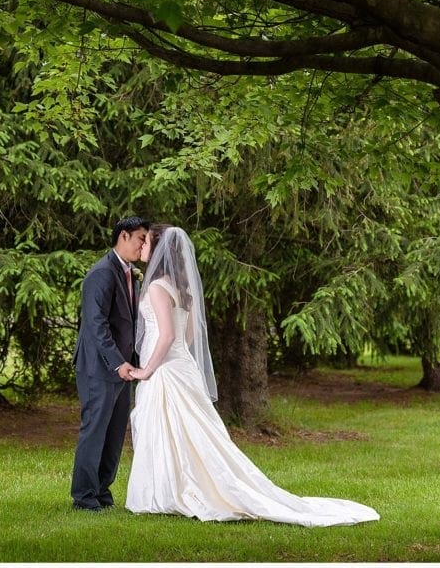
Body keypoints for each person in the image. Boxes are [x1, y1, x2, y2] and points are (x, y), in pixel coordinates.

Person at [125, 224, 380, 526]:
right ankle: (184, 488)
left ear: (159, 251)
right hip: (182, 366)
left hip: (166, 369)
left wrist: (147, 369)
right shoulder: (182, 288)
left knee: (173, 430)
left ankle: (168, 492)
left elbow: (165, 335)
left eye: (146, 243)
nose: (141, 248)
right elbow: (189, 334)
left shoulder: (155, 288)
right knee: (193, 433)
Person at [70, 216, 150, 512]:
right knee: (95, 430)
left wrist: (135, 363)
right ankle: (84, 497)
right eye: (141, 238)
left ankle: (102, 491)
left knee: (115, 432)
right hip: (99, 368)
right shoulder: (101, 273)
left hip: (123, 368)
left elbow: (128, 323)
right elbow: (95, 325)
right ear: (124, 236)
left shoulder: (128, 272)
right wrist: (118, 363)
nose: (144, 245)